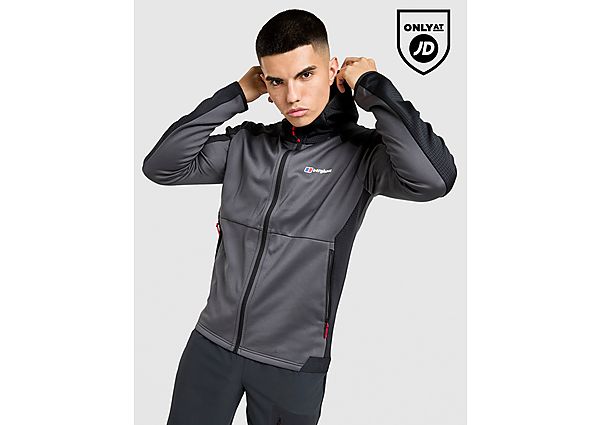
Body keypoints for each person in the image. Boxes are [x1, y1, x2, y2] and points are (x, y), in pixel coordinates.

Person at [142, 8, 457, 425]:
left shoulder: (361, 156)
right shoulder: (245, 145)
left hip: (290, 365)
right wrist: (236, 95)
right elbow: (161, 166)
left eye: (306, 75)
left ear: (332, 69)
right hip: (211, 346)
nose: (292, 96)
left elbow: (435, 178)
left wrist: (372, 86)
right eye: (277, 81)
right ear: (264, 82)